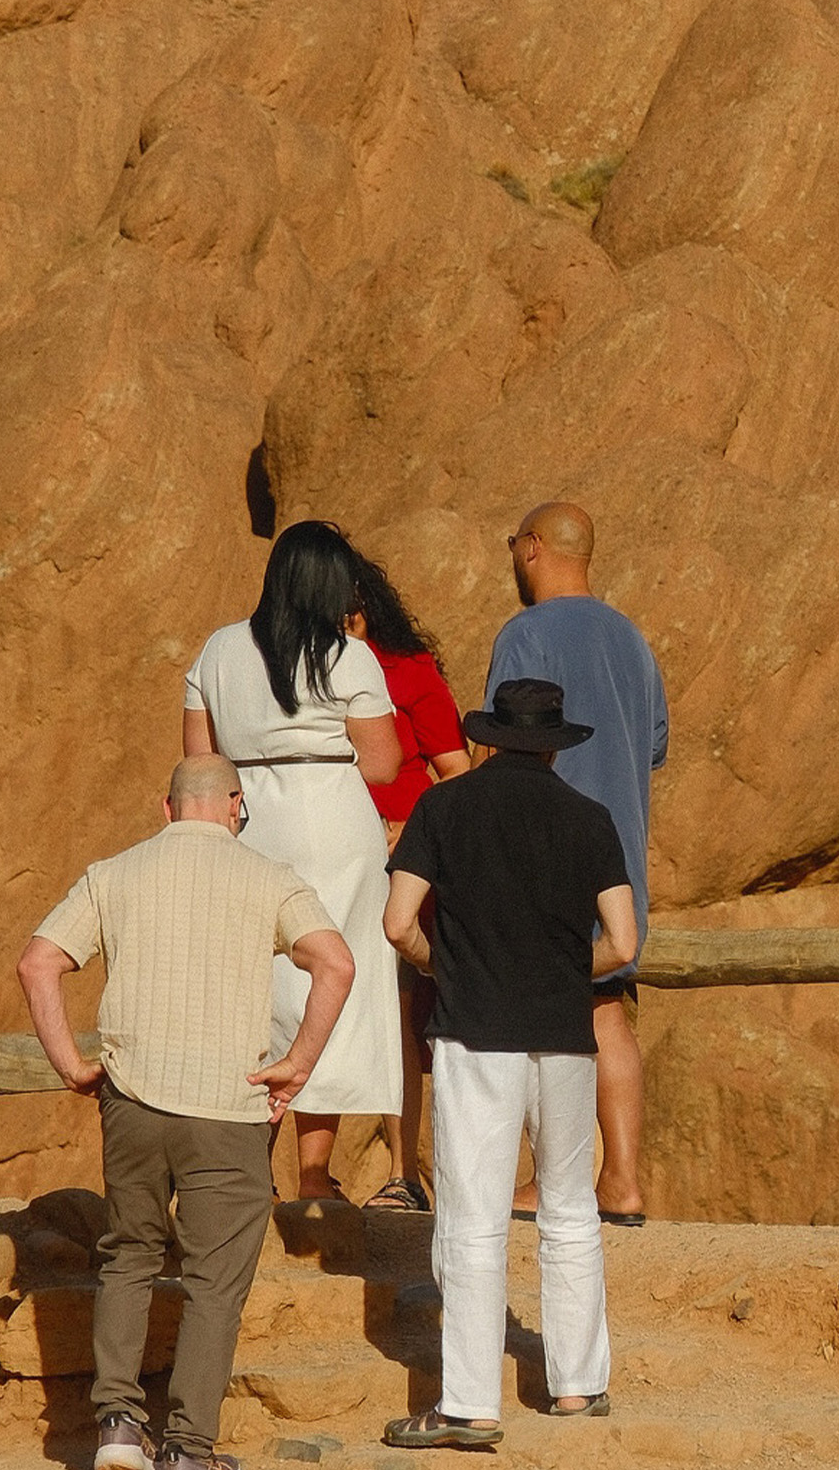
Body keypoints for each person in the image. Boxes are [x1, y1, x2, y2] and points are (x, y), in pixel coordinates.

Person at [14, 755, 356, 1470]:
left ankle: (116, 1426)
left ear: (167, 808)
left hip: (132, 1100)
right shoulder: (270, 878)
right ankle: (188, 1453)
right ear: (235, 805)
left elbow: (39, 963)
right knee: (213, 1280)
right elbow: (335, 962)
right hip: (228, 1107)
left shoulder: (114, 873)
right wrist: (297, 1063)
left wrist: (73, 1062)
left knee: (128, 1255)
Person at [380, 678, 639, 1450]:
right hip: (564, 1035)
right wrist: (563, 974)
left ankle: (468, 1403)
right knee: (569, 1208)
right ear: (556, 745)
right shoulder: (590, 820)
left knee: (473, 1214)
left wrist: (439, 966)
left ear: (490, 737)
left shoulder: (443, 809)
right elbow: (624, 944)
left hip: (474, 1031)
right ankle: (577, 1384)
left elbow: (398, 923)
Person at [182, 519, 405, 1196]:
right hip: (332, 825)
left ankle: (248, 1166)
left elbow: (198, 761)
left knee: (254, 992)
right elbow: (385, 764)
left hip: (245, 824)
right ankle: (314, 1176)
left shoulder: (217, 651)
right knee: (330, 982)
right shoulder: (349, 656)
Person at [488, 499, 667, 1224]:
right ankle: (620, 1181)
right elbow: (653, 745)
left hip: (541, 843)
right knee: (606, 1011)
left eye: (512, 546)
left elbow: (500, 740)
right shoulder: (632, 639)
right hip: (617, 848)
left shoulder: (526, 633)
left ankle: (547, 1180)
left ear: (533, 548)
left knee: (535, 1015)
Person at [346, 545, 470, 1214]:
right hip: (336, 866)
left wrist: (411, 837)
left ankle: (406, 1173)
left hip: (408, 871)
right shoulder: (314, 670)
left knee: (402, 1014)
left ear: (360, 612)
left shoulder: (410, 671)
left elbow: (456, 770)